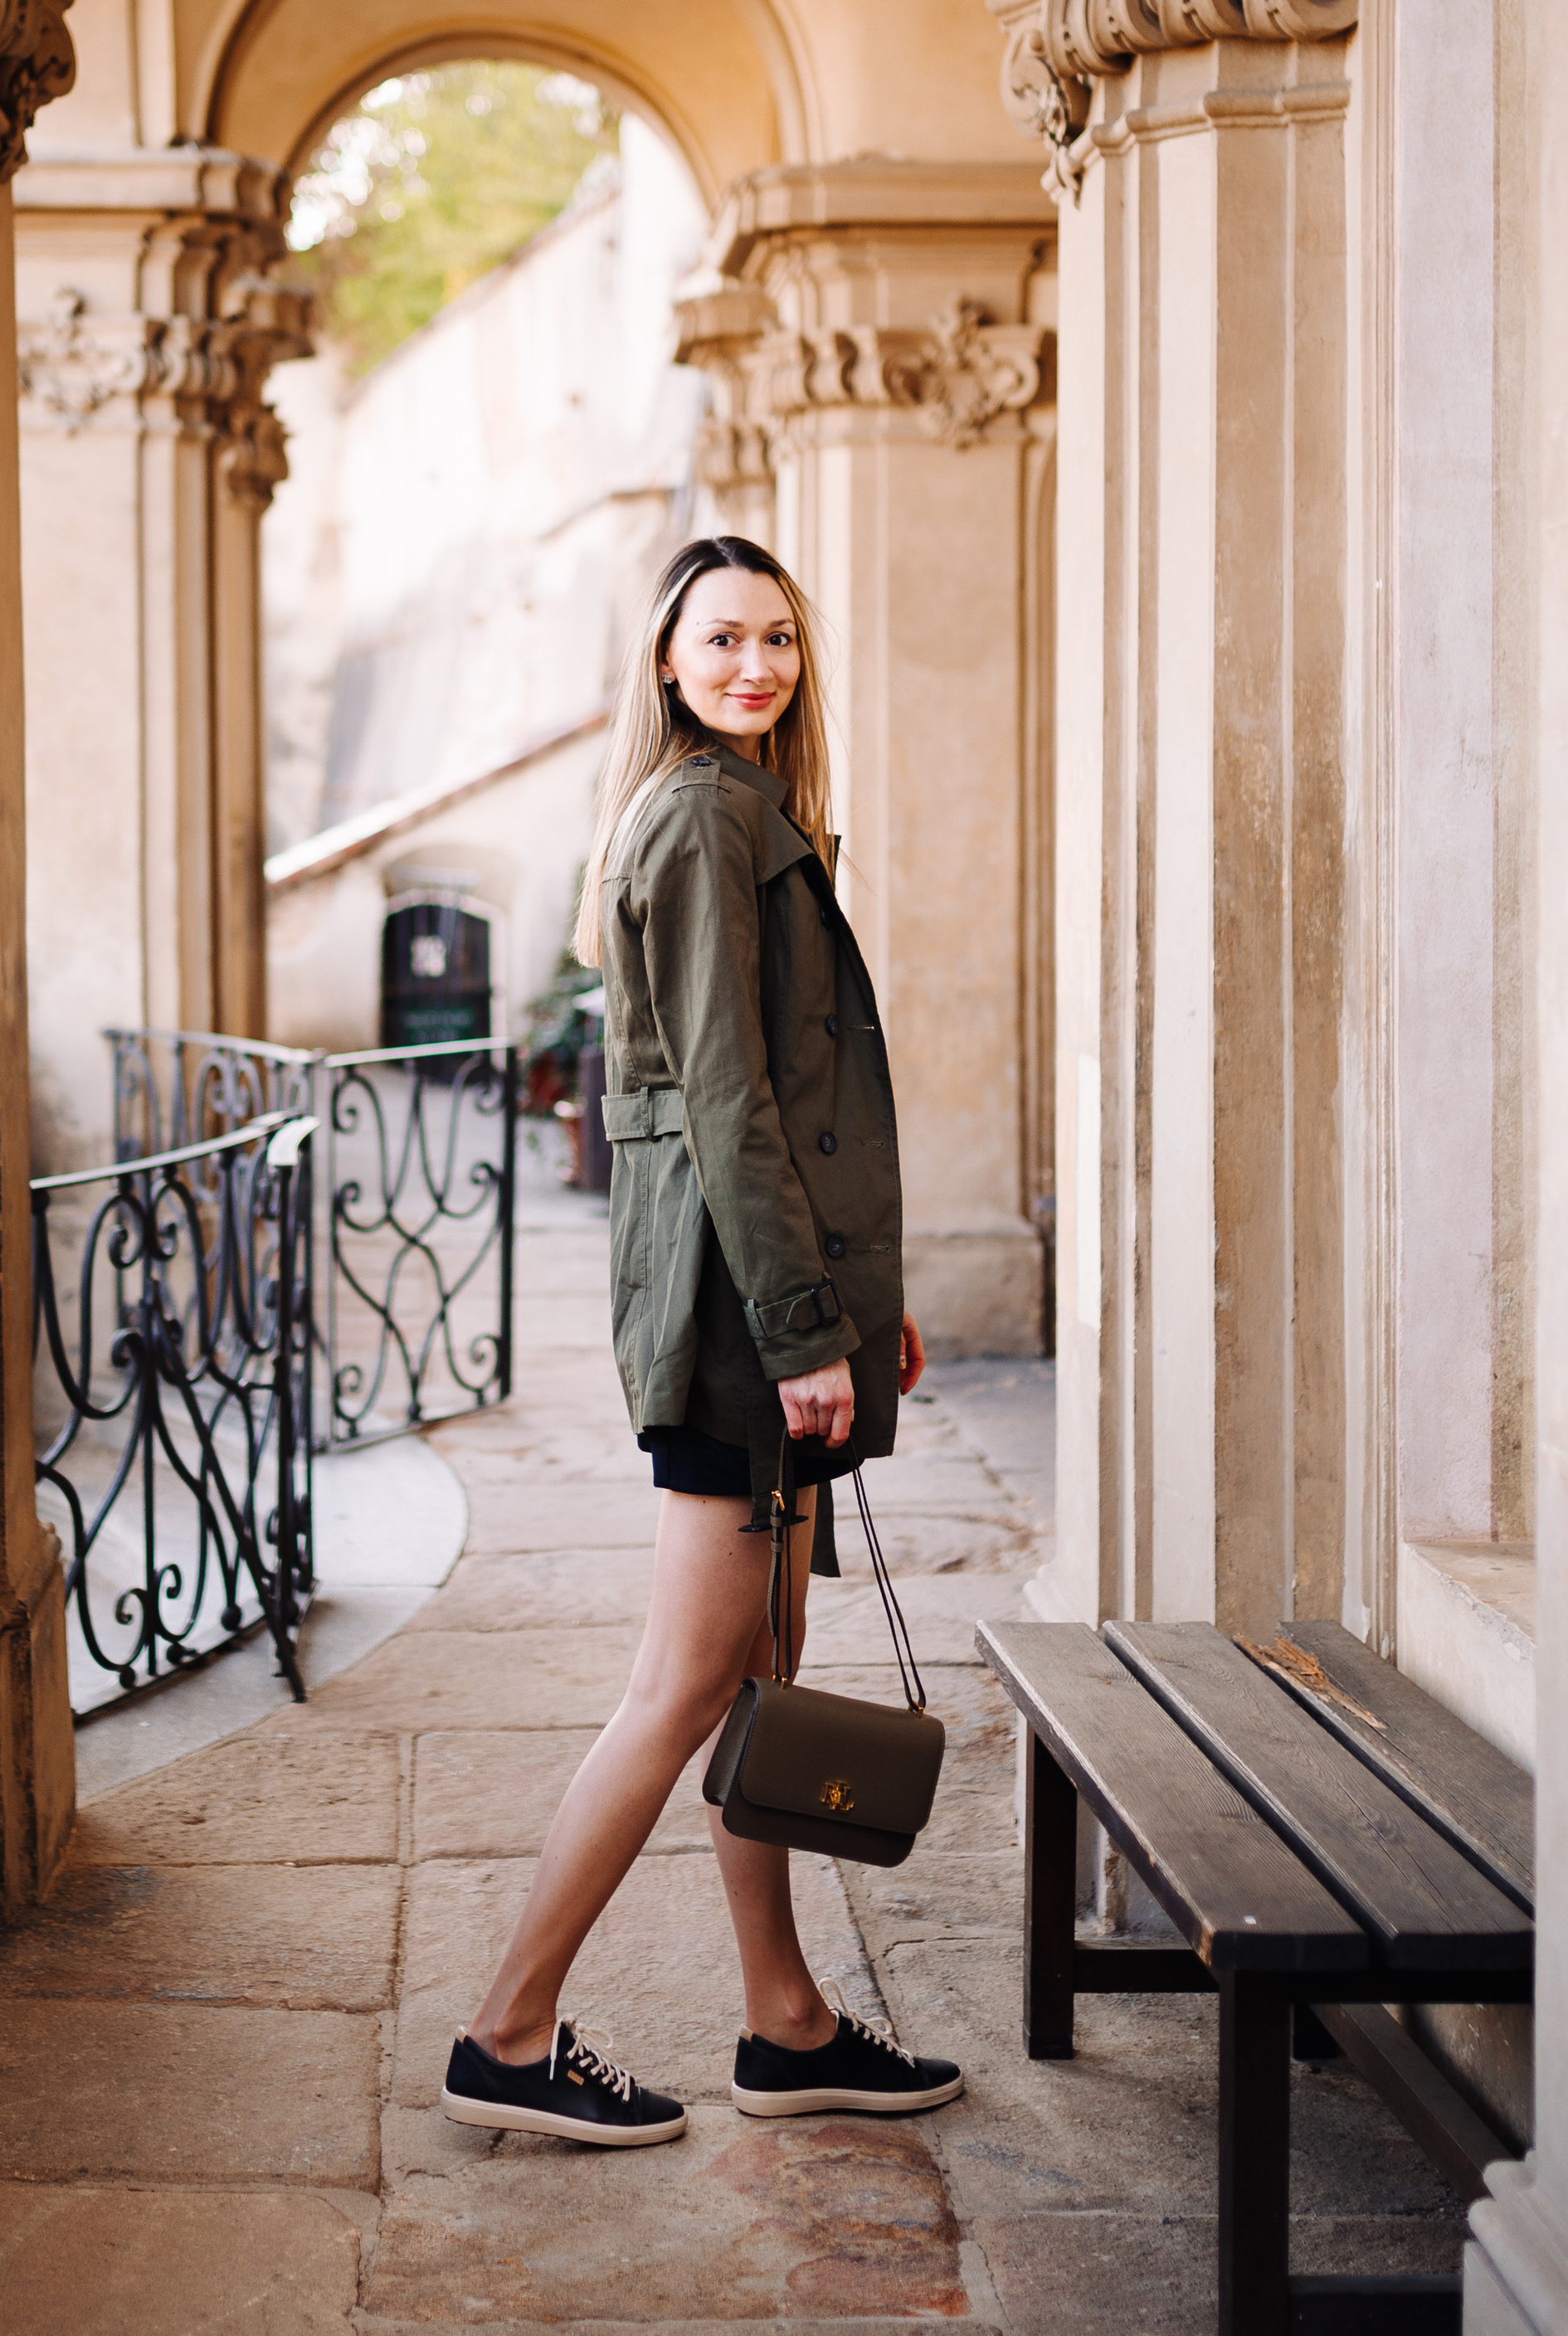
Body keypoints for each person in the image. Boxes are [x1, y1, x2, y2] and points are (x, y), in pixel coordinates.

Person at [441, 533, 963, 2147]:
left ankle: (784, 2021)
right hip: (735, 1328)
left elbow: (777, 1118)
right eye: (723, 640)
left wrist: (861, 1311)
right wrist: (808, 1327)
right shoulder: (692, 820)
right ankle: (509, 2032)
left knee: (759, 1670)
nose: (754, 667)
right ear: (665, 662)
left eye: (780, 642)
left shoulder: (746, 817)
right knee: (682, 1685)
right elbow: (728, 1105)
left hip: (777, 1310)